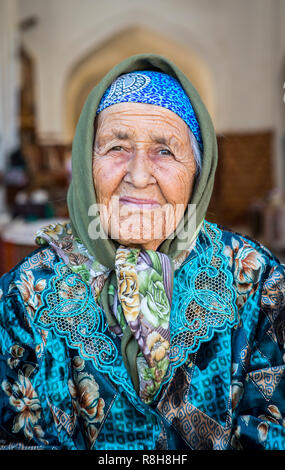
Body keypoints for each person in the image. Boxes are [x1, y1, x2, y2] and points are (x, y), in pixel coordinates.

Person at [0, 53, 284, 451]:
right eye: (116, 146)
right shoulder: (21, 298)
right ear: (86, 163)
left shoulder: (261, 285)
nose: (137, 175)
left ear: (198, 175)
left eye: (165, 151)